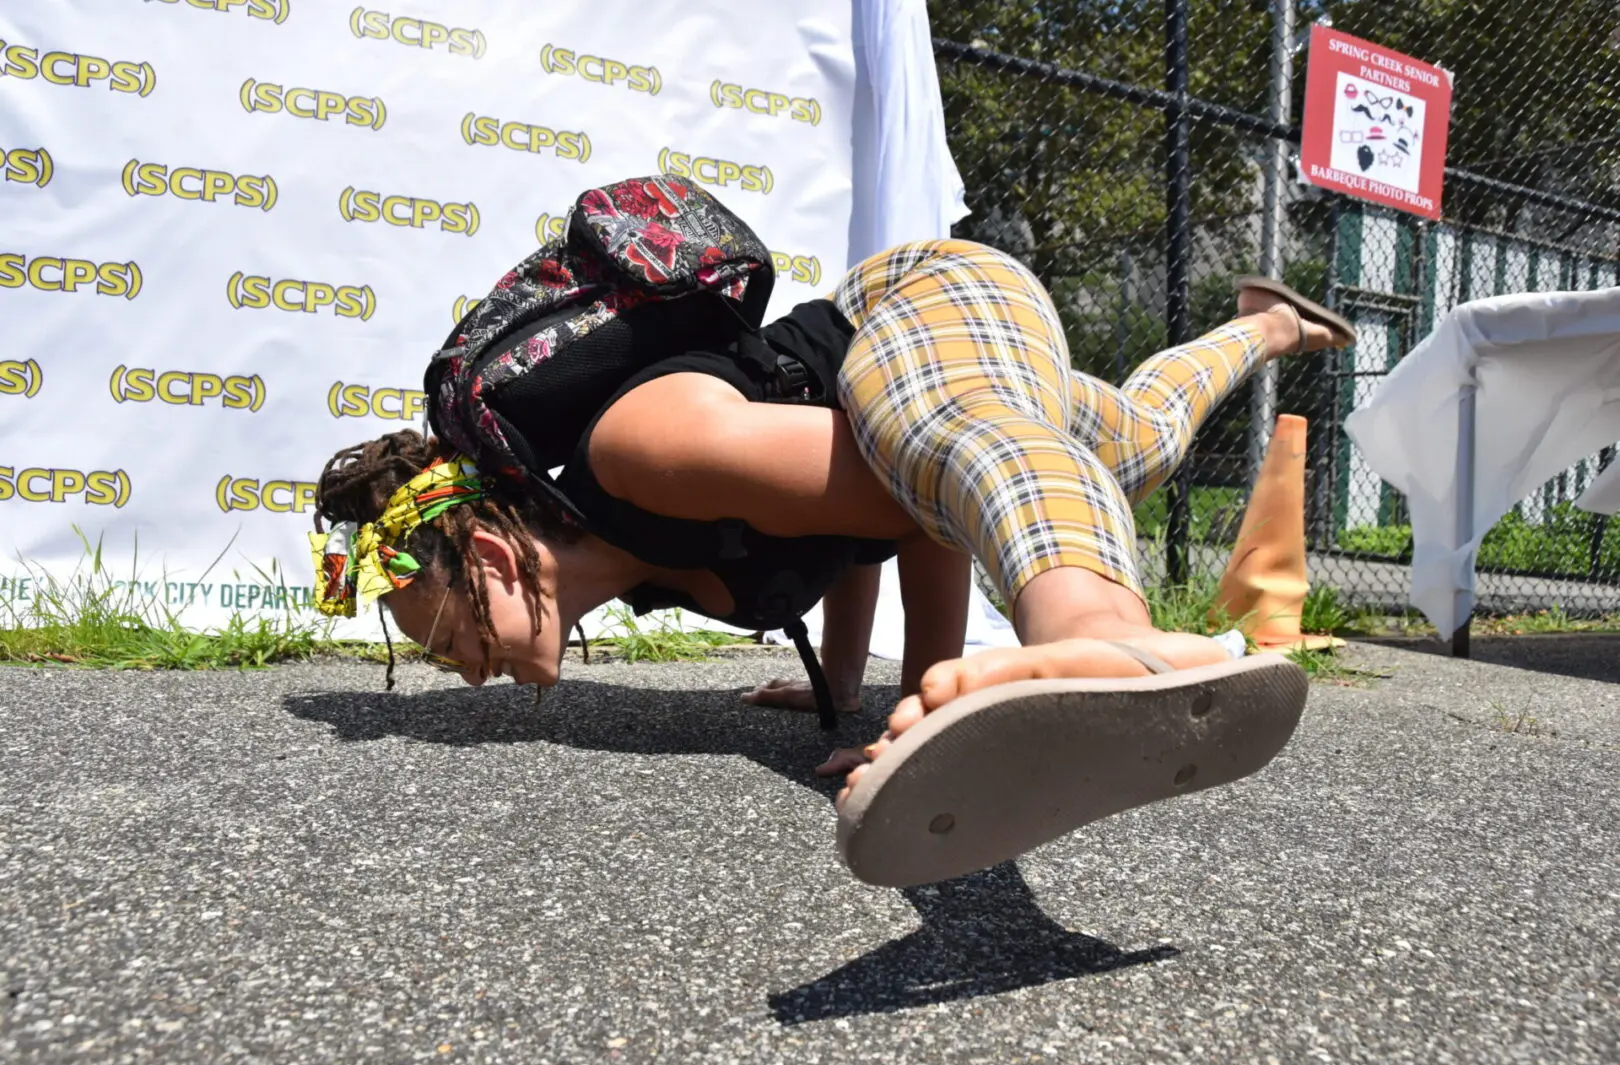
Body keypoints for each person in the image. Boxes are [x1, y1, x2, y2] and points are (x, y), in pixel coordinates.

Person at [311, 238, 1353, 887]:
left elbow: (916, 505)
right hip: (928, 382)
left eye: (434, 628)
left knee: (938, 428)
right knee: (1136, 444)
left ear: (488, 549)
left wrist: (940, 711)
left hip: (927, 298)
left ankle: (1103, 635)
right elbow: (840, 535)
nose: (451, 663)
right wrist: (850, 691)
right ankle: (1266, 324)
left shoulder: (641, 447)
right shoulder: (654, 571)